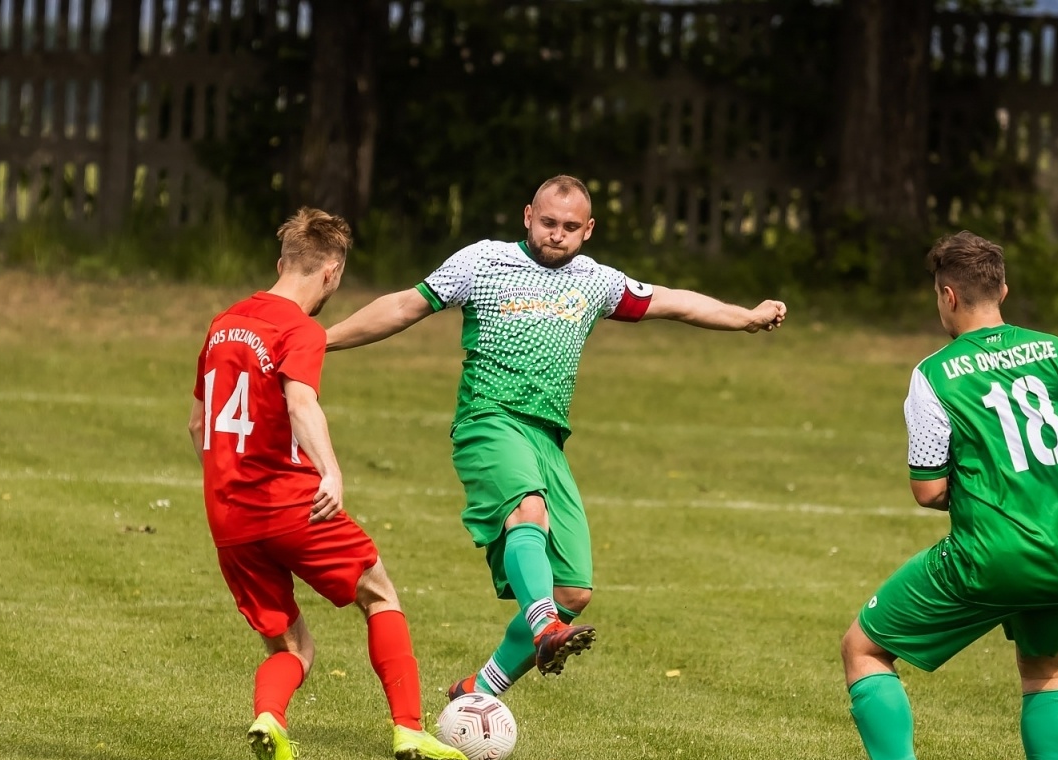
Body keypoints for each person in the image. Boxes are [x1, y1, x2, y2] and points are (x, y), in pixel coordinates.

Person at [325, 175, 787, 701]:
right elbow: (406, 305)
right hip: (490, 420)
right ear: (528, 216)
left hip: (548, 439)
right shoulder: (483, 261)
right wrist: (321, 340)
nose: (557, 235)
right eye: (548, 223)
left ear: (588, 230)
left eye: (570, 227)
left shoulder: (595, 281)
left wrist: (745, 317)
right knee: (528, 512)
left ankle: (478, 689)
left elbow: (674, 302)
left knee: (573, 589)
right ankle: (545, 628)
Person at [836, 231, 1058, 760]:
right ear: (1002, 288)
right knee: (1048, 671)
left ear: (947, 296)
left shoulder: (934, 375)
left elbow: (928, 489)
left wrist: (984, 490)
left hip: (989, 553)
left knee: (864, 648)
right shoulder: (1057, 351)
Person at [190, 207, 470, 760]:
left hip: (228, 517)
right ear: (332, 272)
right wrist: (331, 473)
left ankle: (270, 721)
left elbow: (198, 427)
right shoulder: (300, 329)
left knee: (292, 646)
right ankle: (409, 726)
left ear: (281, 262)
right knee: (379, 593)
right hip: (290, 503)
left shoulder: (223, 324)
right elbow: (301, 402)